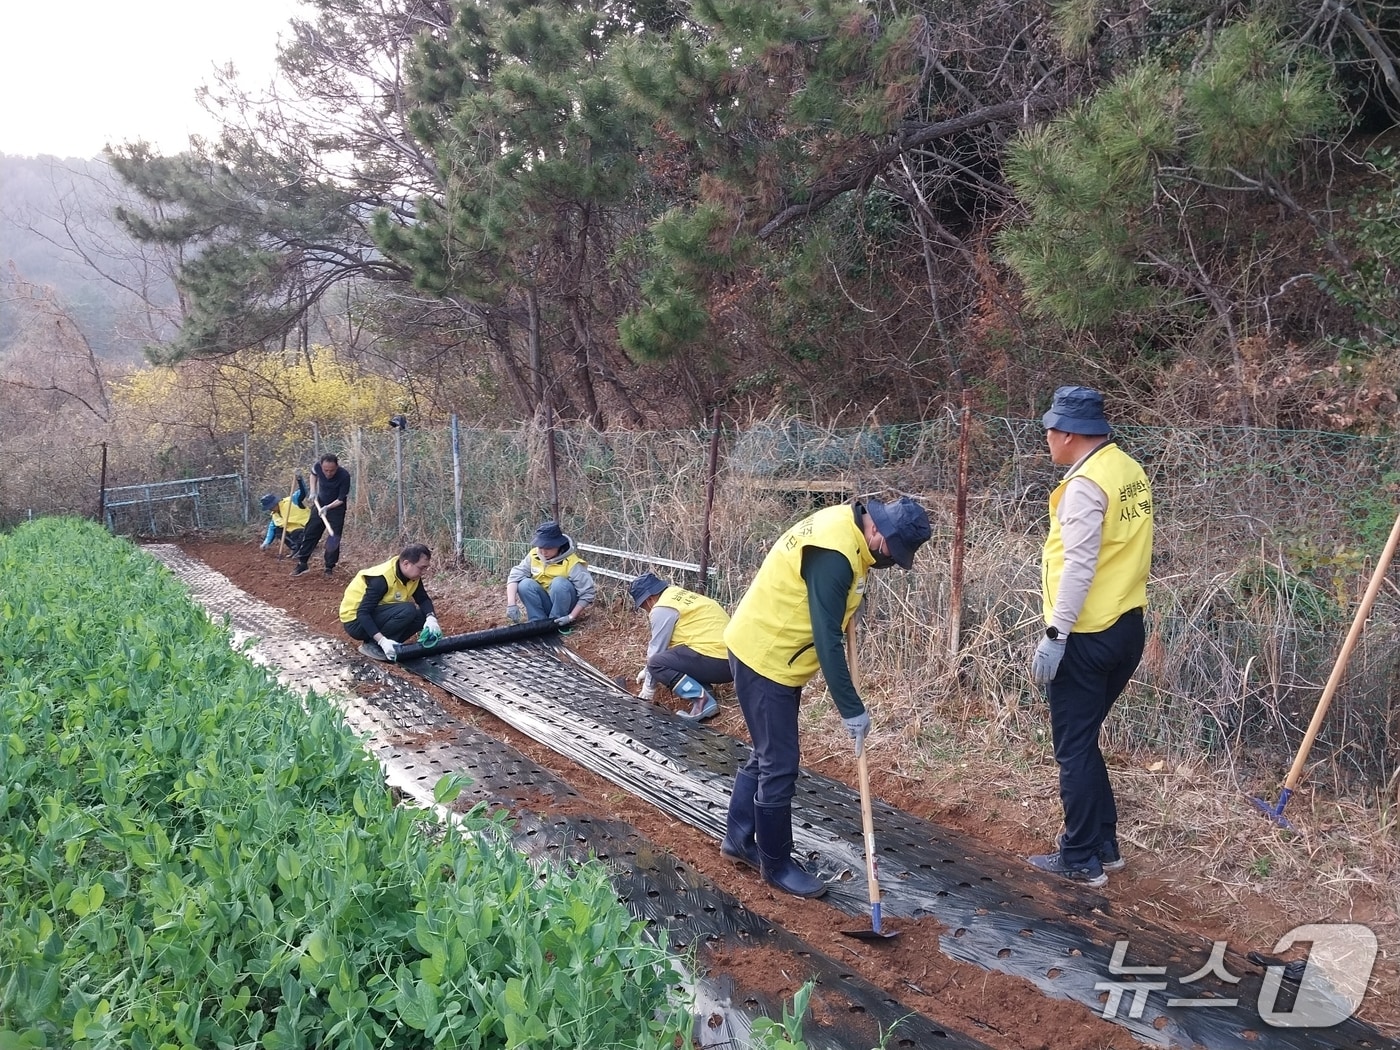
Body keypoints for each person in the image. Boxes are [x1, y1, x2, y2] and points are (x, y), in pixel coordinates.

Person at [721, 496, 932, 898]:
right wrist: (851, 709)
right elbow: (827, 638)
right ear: (877, 531)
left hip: (771, 650)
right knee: (779, 765)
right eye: (892, 551)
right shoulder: (835, 553)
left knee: (767, 755)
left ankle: (740, 840)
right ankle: (776, 864)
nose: (890, 560)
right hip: (766, 657)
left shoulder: (848, 530)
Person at [1028, 386, 1152, 887]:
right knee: (1085, 738)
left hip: (1085, 634)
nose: (1047, 438)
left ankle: (1080, 857)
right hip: (1127, 627)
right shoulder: (1126, 469)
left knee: (1072, 746)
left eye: (1051, 430)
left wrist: (1056, 634)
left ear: (1071, 434)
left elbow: (1079, 565)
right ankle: (1104, 843)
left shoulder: (1083, 486)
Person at [628, 572, 733, 722]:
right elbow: (674, 653)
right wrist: (646, 670)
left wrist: (648, 688)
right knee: (672, 656)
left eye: (643, 606)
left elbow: (657, 650)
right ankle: (706, 692)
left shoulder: (661, 609)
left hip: (718, 660)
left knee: (657, 664)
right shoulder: (675, 595)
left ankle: (702, 701)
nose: (646, 610)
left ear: (649, 599)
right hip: (731, 661)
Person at [339, 543, 442, 662]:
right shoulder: (381, 579)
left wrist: (431, 618)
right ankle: (373, 645)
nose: (424, 572)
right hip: (355, 621)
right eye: (421, 568)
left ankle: (389, 644)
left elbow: (423, 599)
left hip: (376, 615)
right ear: (406, 564)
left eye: (426, 568)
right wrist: (382, 640)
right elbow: (363, 613)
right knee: (408, 609)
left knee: (422, 615)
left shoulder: (412, 577)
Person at [505, 521, 596, 628]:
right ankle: (537, 622)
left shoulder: (572, 563)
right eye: (540, 547)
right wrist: (511, 604)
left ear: (558, 545)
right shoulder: (533, 555)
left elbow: (587, 593)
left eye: (548, 548)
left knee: (559, 583)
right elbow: (515, 576)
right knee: (524, 584)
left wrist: (571, 617)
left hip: (565, 606)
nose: (543, 552)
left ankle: (556, 624)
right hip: (545, 602)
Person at [292, 453, 351, 577]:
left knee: (333, 537)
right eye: (326, 470)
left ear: (337, 467)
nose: (328, 473)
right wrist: (313, 491)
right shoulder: (317, 467)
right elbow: (313, 474)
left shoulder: (344, 476)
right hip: (320, 502)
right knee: (310, 532)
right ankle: (302, 563)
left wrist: (327, 508)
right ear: (321, 466)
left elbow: (341, 499)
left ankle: (329, 567)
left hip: (336, 509)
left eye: (332, 470)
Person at [259, 475, 309, 552]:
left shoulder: (292, 501)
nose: (270, 509)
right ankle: (295, 549)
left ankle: (303, 549)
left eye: (270, 507)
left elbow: (303, 492)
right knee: (277, 530)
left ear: (275, 503)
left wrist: (300, 480)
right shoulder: (274, 514)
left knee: (298, 533)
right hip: (292, 534)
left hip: (305, 528)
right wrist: (266, 543)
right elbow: (272, 529)